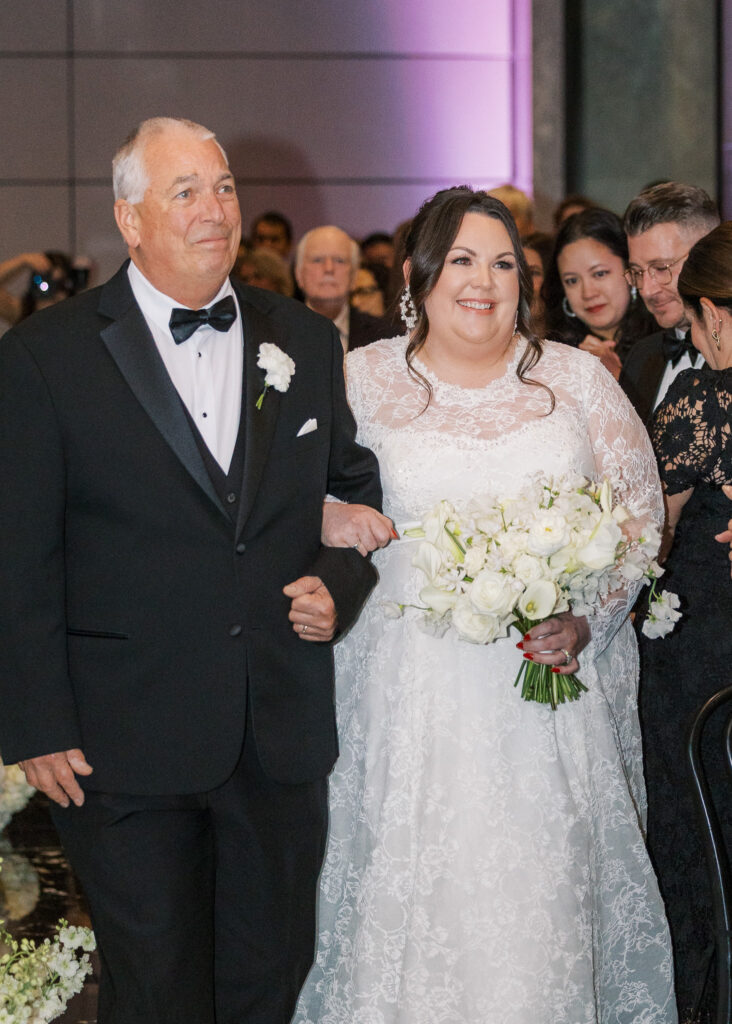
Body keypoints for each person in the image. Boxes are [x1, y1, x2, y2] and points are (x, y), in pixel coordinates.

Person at [0, 116, 384, 1024]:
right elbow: (19, 553)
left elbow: (351, 494)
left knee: (268, 980)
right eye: (186, 193)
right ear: (130, 220)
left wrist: (340, 581)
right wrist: (34, 721)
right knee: (157, 989)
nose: (216, 210)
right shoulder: (44, 358)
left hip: (274, 730)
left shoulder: (303, 338)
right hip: (118, 738)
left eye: (223, 188)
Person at [294, 187, 676, 1024]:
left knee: (539, 920)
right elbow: (285, 500)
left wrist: (587, 621)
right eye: (463, 260)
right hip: (401, 698)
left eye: (505, 263)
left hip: (539, 710)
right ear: (417, 276)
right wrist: (334, 518)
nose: (485, 281)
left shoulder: (574, 380)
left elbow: (640, 520)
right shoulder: (358, 380)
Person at [637, 221, 732, 1021]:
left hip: (702, 668)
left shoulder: (701, 401)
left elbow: (645, 540)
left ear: (716, 317)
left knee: (699, 847)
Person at [620, 182, 720, 425]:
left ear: (707, 256)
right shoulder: (640, 357)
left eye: (661, 268)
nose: (646, 289)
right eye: (637, 272)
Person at [543, 208, 656, 379]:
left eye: (600, 274)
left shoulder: (666, 343)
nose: (588, 293)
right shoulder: (550, 355)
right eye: (572, 281)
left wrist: (616, 376)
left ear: (630, 271)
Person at [295, 225, 389, 351]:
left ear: (354, 275)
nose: (329, 268)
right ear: (299, 274)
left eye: (339, 261)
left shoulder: (386, 337)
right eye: (317, 260)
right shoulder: (276, 333)